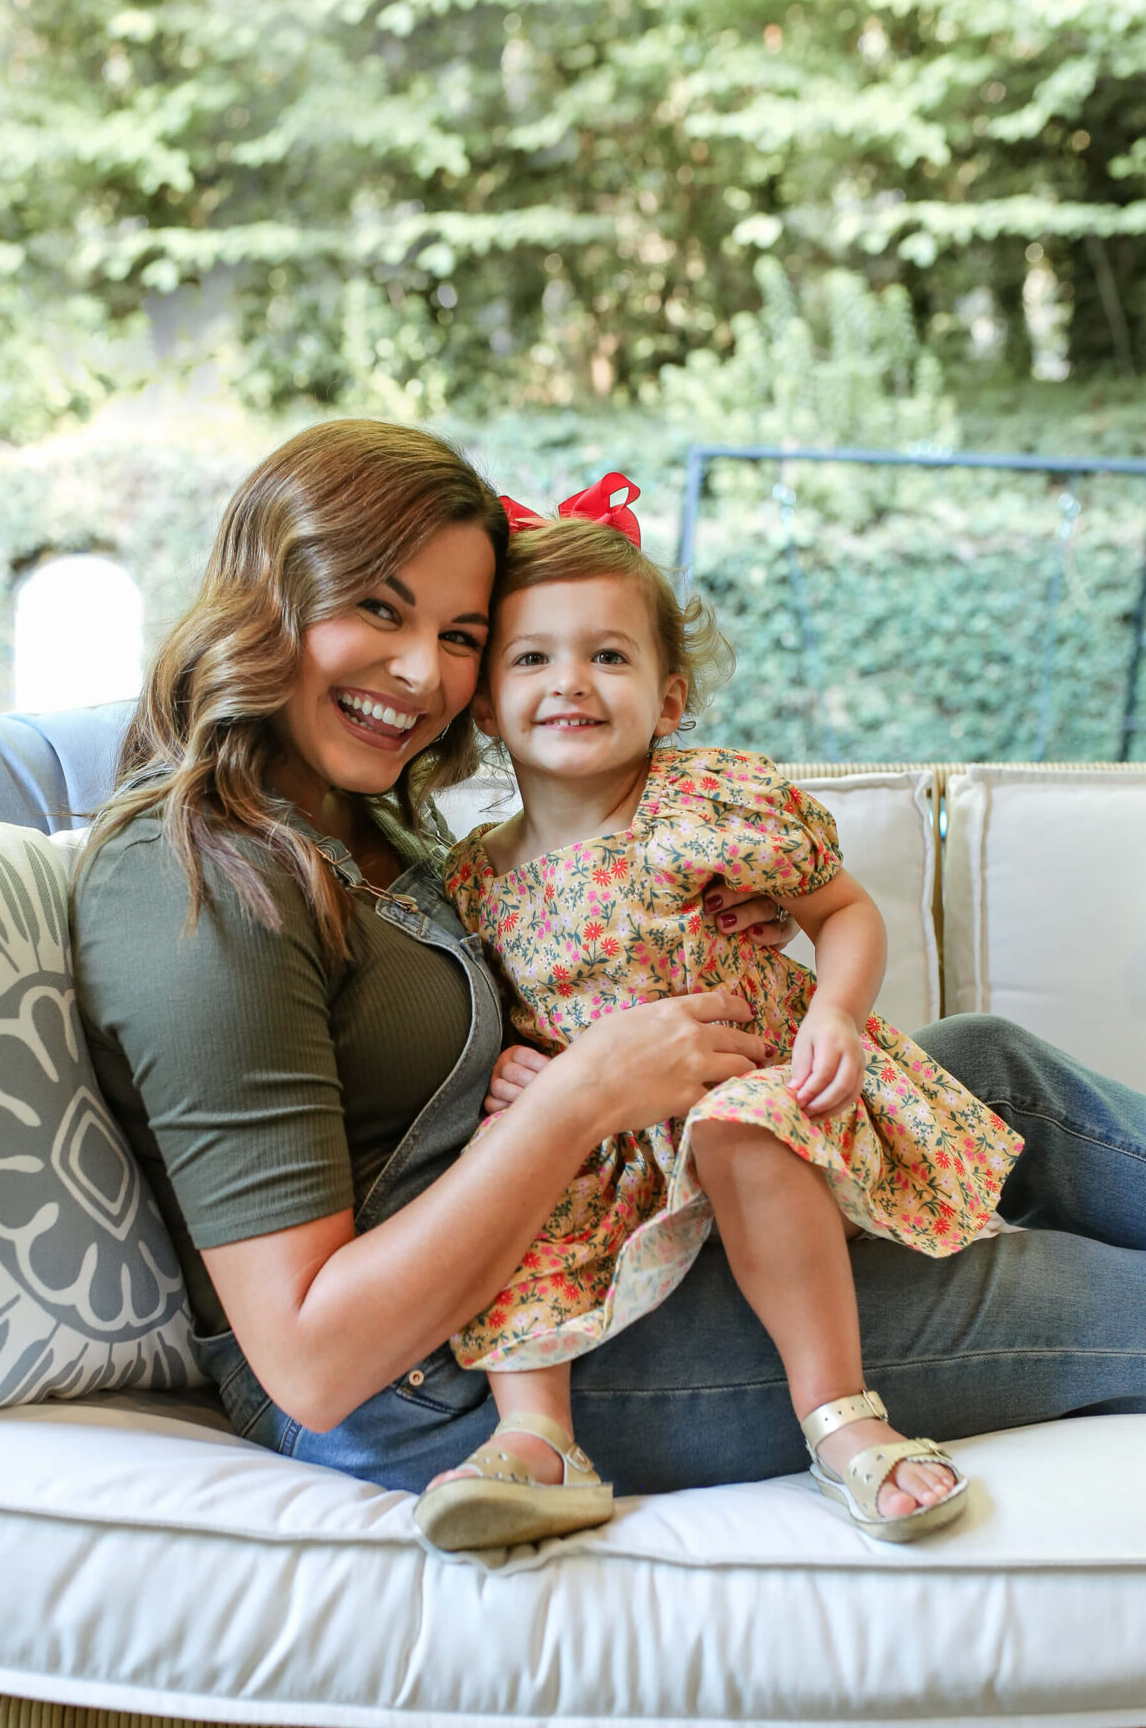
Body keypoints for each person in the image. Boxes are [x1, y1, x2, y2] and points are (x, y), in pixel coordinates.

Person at [71, 416, 1146, 1556]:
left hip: (627, 1198)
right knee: (1086, 1296)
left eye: (463, 633)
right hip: (457, 1368)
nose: (423, 673)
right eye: (377, 608)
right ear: (268, 595)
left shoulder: (363, 824)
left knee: (987, 1063)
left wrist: (719, 953)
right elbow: (314, 1363)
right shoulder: (199, 886)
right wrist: (583, 1093)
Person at [414, 477, 1022, 1552]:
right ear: (482, 699)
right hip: (613, 1142)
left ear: (672, 694)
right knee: (507, 1159)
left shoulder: (706, 804)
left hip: (771, 1092)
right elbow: (500, 1015)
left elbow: (842, 911)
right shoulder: (473, 880)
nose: (572, 682)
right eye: (532, 658)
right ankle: (537, 1442)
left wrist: (837, 1013)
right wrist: (515, 1067)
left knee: (742, 1120)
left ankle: (842, 1418)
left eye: (610, 655)